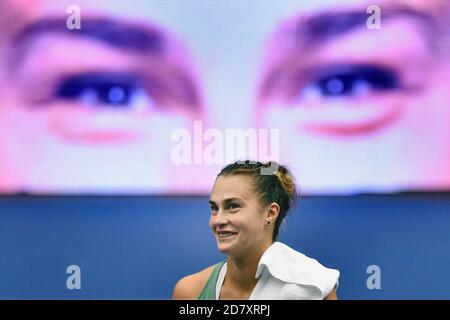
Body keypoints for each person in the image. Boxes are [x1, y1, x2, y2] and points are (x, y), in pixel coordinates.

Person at [173, 160, 340, 300]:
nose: (218, 220)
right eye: (215, 208)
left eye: (232, 206)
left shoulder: (313, 286)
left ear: (271, 213)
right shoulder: (188, 292)